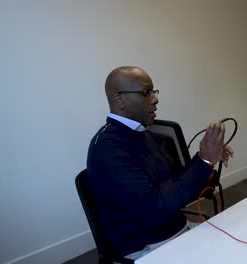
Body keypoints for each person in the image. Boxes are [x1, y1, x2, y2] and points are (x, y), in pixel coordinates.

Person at [87, 66, 233, 259]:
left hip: (174, 231)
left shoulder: (141, 133)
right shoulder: (108, 149)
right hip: (146, 246)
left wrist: (205, 156)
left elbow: (172, 183)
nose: (155, 100)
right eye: (146, 93)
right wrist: (204, 161)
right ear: (119, 100)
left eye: (153, 92)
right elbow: (156, 209)